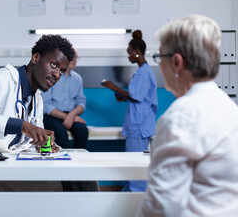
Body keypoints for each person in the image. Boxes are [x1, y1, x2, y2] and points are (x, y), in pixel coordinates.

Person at [136, 15, 238, 216]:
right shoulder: (228, 106)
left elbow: (162, 206)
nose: (159, 65)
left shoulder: (180, 118)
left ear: (176, 62)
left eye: (160, 57)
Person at [0, 34, 75, 154]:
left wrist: (40, 143)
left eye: (62, 71)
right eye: (54, 65)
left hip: (13, 166)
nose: (57, 74)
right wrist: (20, 125)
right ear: (36, 58)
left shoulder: (36, 99)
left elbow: (23, 144)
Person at [101, 30, 158, 192]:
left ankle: (135, 194)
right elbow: (139, 96)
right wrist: (122, 95)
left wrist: (114, 87)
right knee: (132, 163)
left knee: (135, 164)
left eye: (130, 53)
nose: (128, 57)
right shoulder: (141, 71)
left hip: (139, 125)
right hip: (139, 123)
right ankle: (128, 191)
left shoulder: (145, 72)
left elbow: (136, 96)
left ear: (137, 52)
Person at [41, 48, 89, 149]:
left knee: (83, 131)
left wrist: (72, 115)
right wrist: (68, 117)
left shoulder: (77, 78)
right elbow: (45, 105)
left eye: (76, 58)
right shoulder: (51, 76)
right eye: (72, 57)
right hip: (51, 116)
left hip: (71, 114)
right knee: (61, 135)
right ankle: (64, 162)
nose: (74, 60)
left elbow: (81, 102)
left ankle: (77, 161)